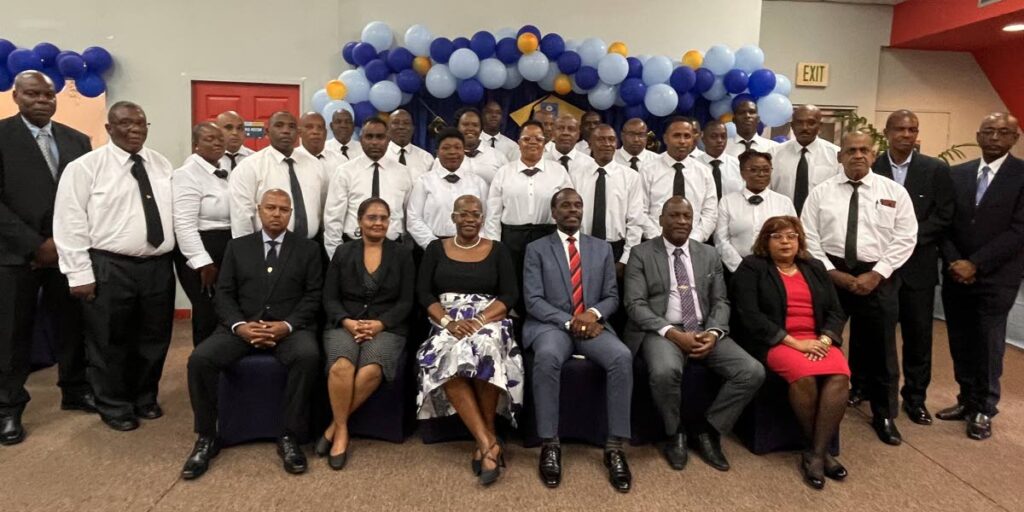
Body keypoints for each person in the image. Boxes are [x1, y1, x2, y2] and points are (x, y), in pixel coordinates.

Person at [182, 189, 322, 479]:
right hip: (241, 327)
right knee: (200, 359)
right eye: (270, 207)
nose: (276, 214)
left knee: (309, 356)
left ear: (290, 214)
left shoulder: (307, 249)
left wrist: (287, 326)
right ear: (259, 210)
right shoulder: (238, 247)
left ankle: (290, 436)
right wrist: (240, 327)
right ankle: (207, 436)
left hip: (288, 329)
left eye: (284, 209)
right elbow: (224, 295)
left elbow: (313, 296)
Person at [54, 101, 176, 432]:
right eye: (125, 123)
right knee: (109, 339)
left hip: (157, 265)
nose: (134, 129)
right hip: (110, 265)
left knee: (154, 336)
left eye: (140, 123)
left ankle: (144, 397)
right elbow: (69, 223)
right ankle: (114, 403)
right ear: (109, 128)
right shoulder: (85, 168)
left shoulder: (161, 164)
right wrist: (79, 274)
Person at [624, 197, 765, 472]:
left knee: (752, 371)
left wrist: (713, 332)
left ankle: (708, 430)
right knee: (664, 371)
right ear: (661, 220)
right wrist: (674, 334)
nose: (681, 222)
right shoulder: (641, 253)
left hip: (703, 329)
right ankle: (674, 431)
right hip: (660, 330)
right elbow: (634, 304)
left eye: (687, 216)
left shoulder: (709, 254)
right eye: (674, 216)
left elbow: (721, 300)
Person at [801, 130, 918, 446]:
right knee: (823, 341)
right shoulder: (821, 193)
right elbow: (808, 236)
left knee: (881, 348)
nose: (858, 155)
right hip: (830, 276)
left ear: (873, 153)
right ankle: (820, 406)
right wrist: (830, 272)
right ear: (840, 156)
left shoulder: (893, 192)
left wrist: (878, 274)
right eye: (851, 150)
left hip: (876, 277)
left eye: (864, 150)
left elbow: (906, 236)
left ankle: (884, 414)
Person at [0, 71, 94, 445]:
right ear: (16, 96)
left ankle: (75, 388)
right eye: (33, 94)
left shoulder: (77, 140)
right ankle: (8, 408)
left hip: (67, 252)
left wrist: (64, 242)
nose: (42, 100)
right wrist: (35, 244)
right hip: (14, 255)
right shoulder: (2, 136)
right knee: (11, 334)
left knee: (72, 326)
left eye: (48, 94)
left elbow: (90, 197)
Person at [523, 189, 633, 493]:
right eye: (565, 205)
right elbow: (533, 300)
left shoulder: (601, 248)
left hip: (593, 326)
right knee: (546, 357)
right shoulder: (536, 249)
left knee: (622, 357)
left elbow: (612, 296)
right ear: (554, 212)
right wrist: (572, 321)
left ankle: (615, 448)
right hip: (551, 327)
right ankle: (550, 444)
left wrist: (593, 315)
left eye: (577, 205)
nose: (572, 210)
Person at [730, 216, 850, 490]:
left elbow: (835, 311)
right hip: (777, 342)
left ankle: (815, 453)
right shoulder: (752, 267)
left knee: (840, 376)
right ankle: (820, 453)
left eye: (791, 236)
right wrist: (795, 343)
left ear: (799, 241)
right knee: (804, 376)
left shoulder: (815, 267)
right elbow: (749, 315)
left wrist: (825, 338)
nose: (785, 242)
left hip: (817, 341)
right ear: (765, 241)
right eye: (778, 237)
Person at [416, 195, 524, 486]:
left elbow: (510, 295)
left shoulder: (498, 250)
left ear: (482, 219)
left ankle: (485, 442)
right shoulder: (436, 249)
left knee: (485, 348)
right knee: (444, 355)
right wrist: (449, 323)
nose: (469, 219)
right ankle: (488, 441)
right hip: (446, 320)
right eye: (463, 214)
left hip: (489, 319)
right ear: (453, 217)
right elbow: (424, 294)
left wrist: (479, 320)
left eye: (475, 214)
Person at [938, 112, 1024, 441]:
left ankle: (984, 408)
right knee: (960, 338)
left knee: (988, 344)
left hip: (997, 276)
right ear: (977, 135)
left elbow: (1019, 231)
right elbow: (944, 223)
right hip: (956, 272)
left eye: (1003, 132)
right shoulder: (957, 174)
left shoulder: (1021, 174)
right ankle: (965, 398)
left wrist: (976, 263)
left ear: (1014, 138)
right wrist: (955, 261)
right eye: (988, 131)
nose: (994, 138)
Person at [869, 110, 954, 423]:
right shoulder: (872, 165)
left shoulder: (935, 169)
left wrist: (906, 238)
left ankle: (915, 397)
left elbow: (944, 216)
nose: (906, 134)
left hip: (918, 266)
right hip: (878, 267)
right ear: (887, 131)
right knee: (874, 334)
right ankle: (866, 389)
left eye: (912, 129)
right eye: (900, 129)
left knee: (918, 337)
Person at [318, 198, 414, 469]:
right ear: (359, 222)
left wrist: (380, 324)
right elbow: (330, 298)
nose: (378, 223)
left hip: (388, 327)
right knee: (341, 367)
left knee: (372, 368)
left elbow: (406, 302)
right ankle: (343, 430)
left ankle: (334, 429)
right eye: (372, 217)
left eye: (383, 218)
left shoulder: (402, 254)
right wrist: (347, 322)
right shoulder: (343, 252)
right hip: (344, 324)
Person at [484, 120, 573, 312]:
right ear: (519, 142)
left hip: (547, 237)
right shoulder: (504, 172)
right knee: (513, 286)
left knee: (547, 285)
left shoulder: (558, 172)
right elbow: (493, 214)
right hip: (512, 239)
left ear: (545, 143)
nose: (532, 142)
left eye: (538, 139)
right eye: (527, 138)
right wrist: (495, 247)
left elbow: (568, 210)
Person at [172, 122, 232, 347]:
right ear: (195, 145)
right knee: (207, 312)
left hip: (225, 244)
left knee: (223, 310)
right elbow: (184, 224)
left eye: (219, 138)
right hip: (201, 248)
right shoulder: (186, 174)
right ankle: (203, 370)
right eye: (209, 139)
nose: (217, 142)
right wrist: (202, 262)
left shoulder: (222, 170)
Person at [324, 117, 414, 259]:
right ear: (360, 140)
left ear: (388, 139)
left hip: (393, 249)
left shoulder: (402, 172)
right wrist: (337, 258)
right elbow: (333, 219)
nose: (374, 142)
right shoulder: (345, 171)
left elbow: (410, 215)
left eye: (380, 137)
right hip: (353, 247)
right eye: (369, 137)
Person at [229, 111, 328, 240]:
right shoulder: (249, 166)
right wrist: (248, 251)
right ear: (267, 132)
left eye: (291, 126)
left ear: (298, 133)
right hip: (267, 246)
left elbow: (323, 206)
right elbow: (241, 216)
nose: (286, 131)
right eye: (279, 125)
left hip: (310, 246)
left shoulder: (315, 165)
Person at [570, 124, 645, 272]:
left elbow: (635, 222)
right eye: (601, 139)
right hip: (583, 246)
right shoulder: (575, 175)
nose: (607, 144)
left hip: (617, 249)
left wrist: (626, 259)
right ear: (590, 144)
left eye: (611, 139)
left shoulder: (631, 177)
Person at [715, 151, 796, 273]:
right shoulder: (727, 202)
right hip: (737, 268)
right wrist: (741, 268)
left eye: (766, 170)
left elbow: (793, 236)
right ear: (742, 173)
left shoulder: (784, 202)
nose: (761, 174)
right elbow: (721, 240)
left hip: (776, 268)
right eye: (754, 170)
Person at [639, 117, 718, 243]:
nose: (682, 141)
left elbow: (710, 214)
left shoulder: (704, 173)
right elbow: (640, 211)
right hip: (654, 245)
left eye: (687, 136)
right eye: (676, 136)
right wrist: (659, 240)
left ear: (693, 140)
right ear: (665, 139)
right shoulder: (648, 170)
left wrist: (693, 241)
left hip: (694, 245)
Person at [407, 128, 489, 249]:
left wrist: (475, 244)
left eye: (457, 147)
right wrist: (434, 245)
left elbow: (486, 218)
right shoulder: (424, 182)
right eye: (446, 148)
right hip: (433, 246)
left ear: (464, 151)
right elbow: (414, 219)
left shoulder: (478, 183)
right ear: (437, 153)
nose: (452, 152)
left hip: (471, 246)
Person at [770, 105, 840, 215]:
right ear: (792, 126)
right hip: (782, 221)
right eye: (799, 123)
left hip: (821, 221)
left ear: (820, 126)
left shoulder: (836, 155)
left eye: (811, 123)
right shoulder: (774, 154)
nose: (805, 128)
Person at [455, 106, 508, 184]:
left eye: (475, 125)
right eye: (465, 124)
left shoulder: (498, 157)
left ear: (481, 129)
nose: (470, 128)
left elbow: (508, 186)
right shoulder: (446, 157)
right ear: (457, 128)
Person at [695, 120, 744, 201]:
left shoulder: (737, 165)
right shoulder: (694, 165)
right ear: (703, 139)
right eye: (714, 136)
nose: (719, 140)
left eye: (723, 136)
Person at [387, 109, 433, 179]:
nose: (401, 127)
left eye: (406, 123)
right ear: (387, 128)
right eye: (396, 123)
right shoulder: (380, 156)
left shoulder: (426, 158)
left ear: (413, 128)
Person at [295, 111, 345, 176]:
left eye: (320, 127)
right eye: (309, 127)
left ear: (326, 133)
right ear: (299, 132)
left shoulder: (340, 161)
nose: (315, 132)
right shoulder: (291, 160)